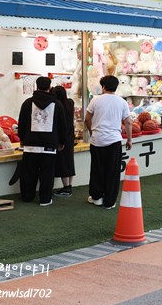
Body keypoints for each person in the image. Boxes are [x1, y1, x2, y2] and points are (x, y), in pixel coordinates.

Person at [17, 76, 66, 206]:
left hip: (31, 143)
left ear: (36, 87)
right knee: (47, 174)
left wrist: (21, 138)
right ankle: (45, 199)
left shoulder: (28, 103)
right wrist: (62, 141)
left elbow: (21, 122)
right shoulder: (57, 104)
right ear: (50, 88)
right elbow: (62, 125)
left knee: (29, 172)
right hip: (50, 144)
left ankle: (27, 197)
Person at [84, 74, 132, 209]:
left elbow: (87, 118)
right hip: (114, 141)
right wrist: (129, 140)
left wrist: (91, 131)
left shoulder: (96, 100)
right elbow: (128, 122)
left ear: (103, 87)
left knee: (97, 169)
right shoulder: (122, 102)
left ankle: (96, 197)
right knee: (113, 171)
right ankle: (109, 202)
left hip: (97, 140)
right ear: (116, 87)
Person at [50, 84, 76, 197]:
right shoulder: (70, 104)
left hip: (63, 138)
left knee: (63, 164)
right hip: (70, 137)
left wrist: (61, 141)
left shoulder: (58, 107)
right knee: (69, 162)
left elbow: (59, 126)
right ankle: (69, 186)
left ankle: (66, 188)